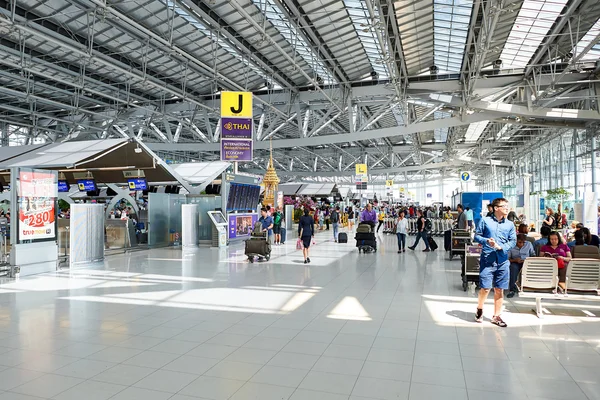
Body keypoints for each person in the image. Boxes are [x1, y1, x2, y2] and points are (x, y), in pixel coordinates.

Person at [474, 198, 516, 327]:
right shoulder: (485, 221)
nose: (507, 208)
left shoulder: (510, 225)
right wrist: (487, 241)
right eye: (504, 206)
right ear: (496, 208)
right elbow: (477, 236)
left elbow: (513, 241)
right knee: (485, 288)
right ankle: (480, 308)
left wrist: (502, 247)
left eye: (507, 206)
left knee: (499, 289)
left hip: (503, 260)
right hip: (488, 259)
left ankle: (497, 316)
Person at [507, 234, 536, 298]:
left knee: (529, 268)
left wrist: (527, 260)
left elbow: (533, 255)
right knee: (513, 268)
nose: (522, 244)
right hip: (515, 262)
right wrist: (515, 260)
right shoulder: (511, 246)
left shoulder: (529, 244)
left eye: (523, 242)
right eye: (520, 242)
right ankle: (512, 289)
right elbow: (507, 259)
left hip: (527, 262)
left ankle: (530, 287)